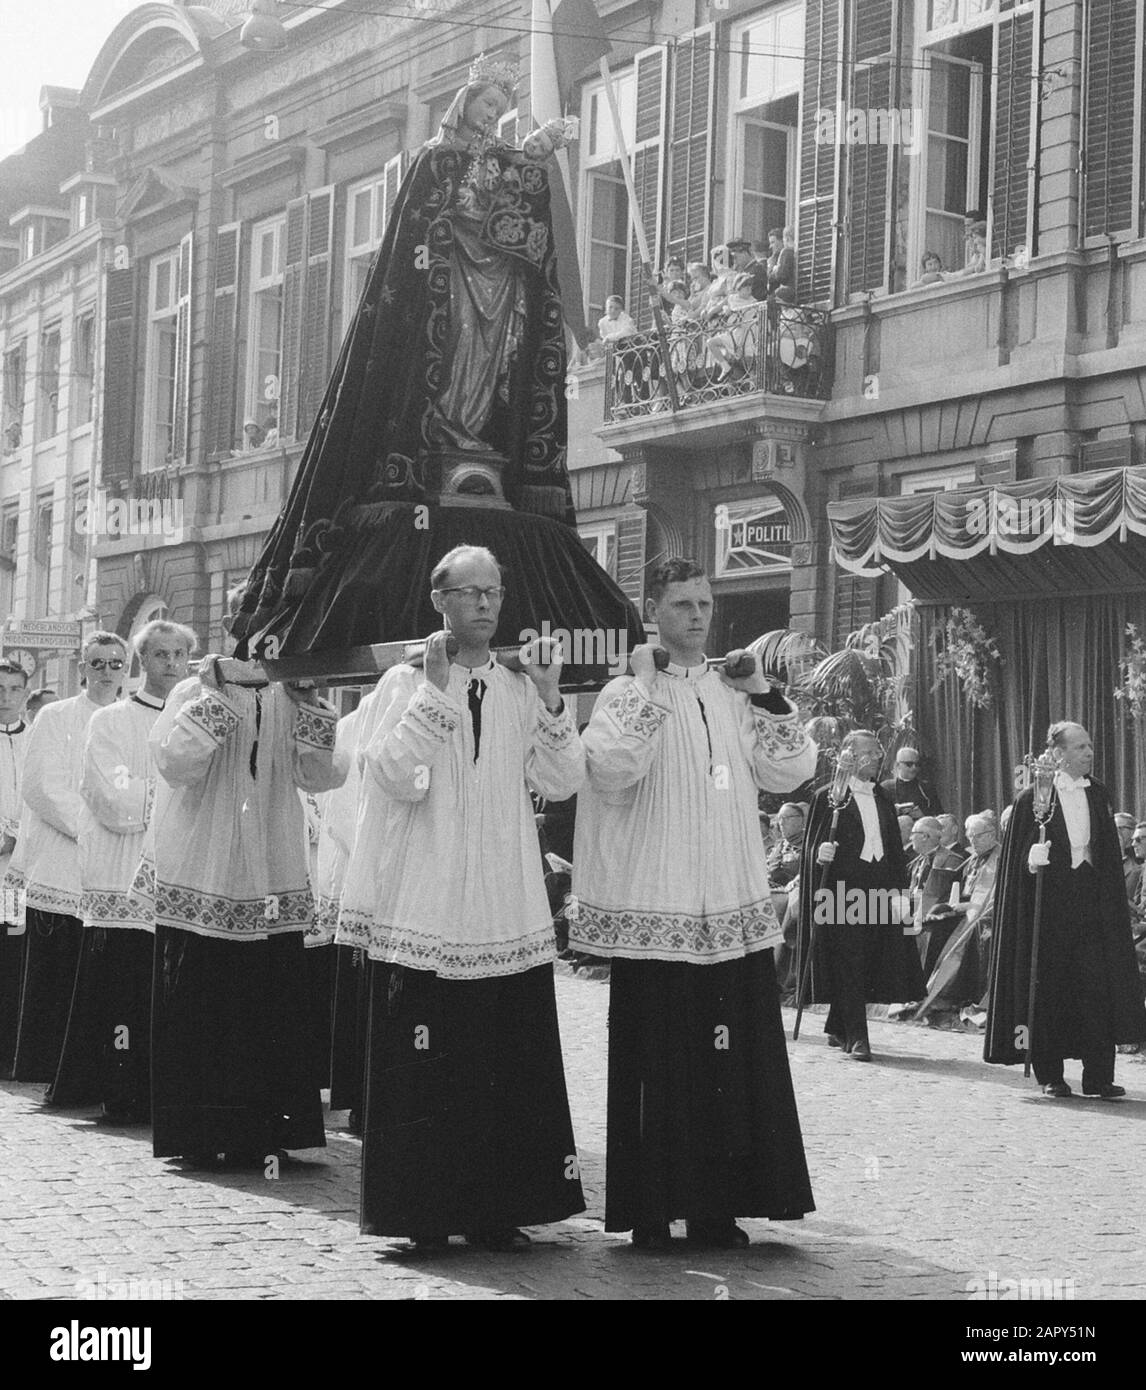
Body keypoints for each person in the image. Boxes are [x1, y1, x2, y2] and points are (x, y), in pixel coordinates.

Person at [229, 56, 641, 683]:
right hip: (447, 287)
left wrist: (532, 156)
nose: (490, 113)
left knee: (493, 366)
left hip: (497, 285)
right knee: (447, 367)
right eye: (485, 101)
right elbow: (431, 226)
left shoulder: (500, 158)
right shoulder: (433, 159)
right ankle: (445, 435)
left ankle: (473, 437)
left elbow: (524, 214)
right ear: (464, 97)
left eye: (501, 104)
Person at [570, 557, 817, 1249]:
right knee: (656, 1060)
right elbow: (609, 768)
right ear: (654, 609)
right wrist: (647, 686)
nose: (698, 614)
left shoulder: (735, 689)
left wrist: (765, 693)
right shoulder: (627, 689)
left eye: (705, 602)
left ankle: (717, 1207)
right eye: (681, 603)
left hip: (730, 902)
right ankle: (650, 1209)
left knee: (725, 1062)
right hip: (659, 903)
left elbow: (793, 770)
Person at [348, 544, 586, 1250]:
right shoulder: (403, 683)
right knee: (426, 1059)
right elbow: (391, 775)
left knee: (501, 1061)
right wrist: (434, 691)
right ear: (438, 601)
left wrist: (549, 694)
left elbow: (565, 779)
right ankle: (421, 1215)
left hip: (504, 903)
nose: (484, 603)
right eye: (469, 591)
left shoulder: (518, 689)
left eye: (494, 592)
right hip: (427, 898)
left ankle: (496, 1209)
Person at [141, 586, 345, 1163]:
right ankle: (203, 1133)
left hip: (272, 864)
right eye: (253, 619)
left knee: (270, 995)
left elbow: (320, 779)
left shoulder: (291, 691)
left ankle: (270, 1130)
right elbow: (175, 766)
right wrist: (216, 702)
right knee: (206, 996)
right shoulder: (192, 687)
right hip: (205, 864)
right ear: (234, 625)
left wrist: (312, 708)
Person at [47, 621, 194, 1119]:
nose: (171, 664)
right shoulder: (110, 721)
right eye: (159, 654)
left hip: (180, 876)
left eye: (179, 655)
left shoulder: (197, 721)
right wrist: (175, 798)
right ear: (141, 661)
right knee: (124, 993)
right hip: (121, 875)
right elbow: (112, 797)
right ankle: (122, 1092)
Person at [984, 723, 1146, 1098]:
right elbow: (1015, 862)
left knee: (1096, 987)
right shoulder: (1034, 797)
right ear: (1058, 754)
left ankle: (1099, 1074)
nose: (1089, 752)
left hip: (1091, 905)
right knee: (1049, 989)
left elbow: (1105, 850)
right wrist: (1030, 859)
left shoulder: (1098, 793)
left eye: (1090, 745)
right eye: (1080, 747)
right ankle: (1051, 1074)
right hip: (1050, 906)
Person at [4, 633, 126, 1082]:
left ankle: (94, 1068)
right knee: (54, 972)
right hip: (61, 859)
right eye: (98, 663)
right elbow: (40, 786)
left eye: (116, 663)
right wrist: (92, 829)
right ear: (82, 668)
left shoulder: (130, 718)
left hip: (114, 866)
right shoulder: (56, 716)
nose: (107, 671)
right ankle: (44, 1064)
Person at [797, 729, 924, 1062]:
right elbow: (812, 846)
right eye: (872, 751)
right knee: (849, 958)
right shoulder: (829, 796)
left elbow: (894, 847)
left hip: (879, 886)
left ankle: (838, 1024)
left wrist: (901, 894)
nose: (879, 757)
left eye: (880, 751)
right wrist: (819, 853)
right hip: (842, 891)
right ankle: (857, 1036)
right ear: (850, 755)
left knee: (869, 957)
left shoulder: (882, 796)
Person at [916, 812, 1001, 1026]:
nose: (973, 841)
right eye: (970, 836)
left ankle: (945, 997)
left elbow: (987, 899)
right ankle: (920, 990)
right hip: (963, 911)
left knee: (959, 937)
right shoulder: (972, 859)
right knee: (932, 925)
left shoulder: (999, 858)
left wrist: (964, 906)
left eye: (978, 836)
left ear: (991, 834)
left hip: (982, 915)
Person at [0, 657, 29, 1075]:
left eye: (13, 690)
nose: (5, 699)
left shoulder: (37, 737)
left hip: (19, 874)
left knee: (13, 951)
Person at [880, 745, 942, 821]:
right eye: (909, 764)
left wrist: (924, 814)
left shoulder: (926, 788)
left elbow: (940, 816)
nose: (914, 768)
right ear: (898, 765)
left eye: (917, 764)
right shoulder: (886, 787)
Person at [1114, 812, 1142, 906]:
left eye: (1120, 828)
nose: (1115, 833)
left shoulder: (1140, 858)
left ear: (1133, 831)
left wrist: (1120, 852)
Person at [766, 227, 796, 305]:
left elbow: (781, 276)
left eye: (773, 242)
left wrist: (774, 270)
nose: (770, 246)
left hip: (786, 298)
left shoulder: (786, 252)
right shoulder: (799, 252)